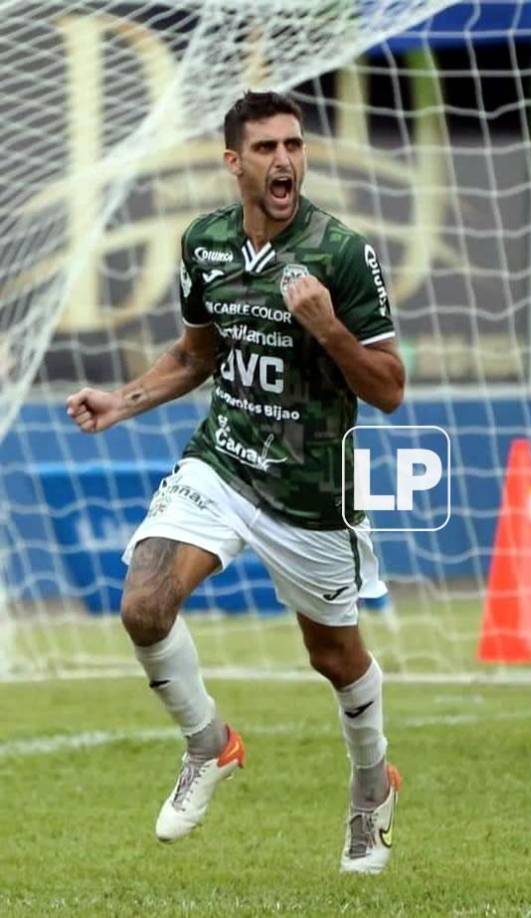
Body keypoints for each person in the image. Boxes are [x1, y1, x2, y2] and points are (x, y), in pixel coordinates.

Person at [65, 91, 406, 874]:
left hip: (311, 487)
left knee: (334, 656)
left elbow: (388, 388)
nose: (284, 160)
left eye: (293, 145)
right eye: (265, 149)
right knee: (144, 603)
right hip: (223, 458)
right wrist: (122, 401)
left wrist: (327, 327)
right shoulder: (205, 243)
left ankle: (369, 787)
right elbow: (196, 354)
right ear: (234, 163)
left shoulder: (341, 253)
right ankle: (209, 745)